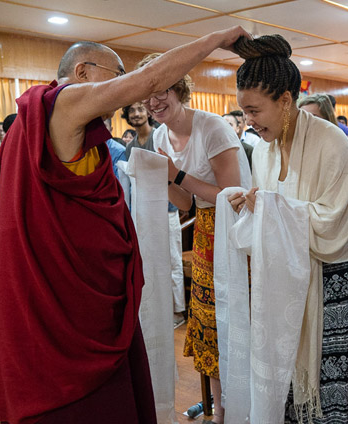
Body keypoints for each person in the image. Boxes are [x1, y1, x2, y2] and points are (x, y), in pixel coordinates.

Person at [0, 27, 250, 424]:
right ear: (82, 71)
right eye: (115, 75)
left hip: (79, 277)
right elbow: (146, 81)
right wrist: (215, 39)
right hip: (65, 288)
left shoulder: (73, 128)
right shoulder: (61, 101)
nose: (124, 94)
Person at [227, 34, 348, 423]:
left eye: (255, 111)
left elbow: (334, 223)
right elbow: (270, 218)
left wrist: (272, 208)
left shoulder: (333, 144)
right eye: (244, 112)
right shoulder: (263, 150)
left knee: (328, 400)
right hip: (287, 288)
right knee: (286, 388)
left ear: (286, 100)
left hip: (332, 288)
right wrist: (251, 209)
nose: (249, 122)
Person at [141, 50, 252, 423]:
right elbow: (184, 202)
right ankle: (220, 408)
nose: (154, 103)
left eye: (160, 93)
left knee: (236, 318)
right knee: (207, 321)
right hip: (205, 229)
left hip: (238, 229)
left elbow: (232, 195)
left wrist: (175, 173)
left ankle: (248, 405)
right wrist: (161, 177)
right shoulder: (160, 134)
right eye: (146, 97)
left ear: (179, 88)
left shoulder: (213, 127)